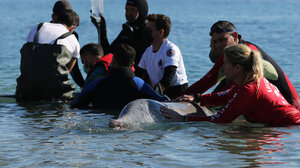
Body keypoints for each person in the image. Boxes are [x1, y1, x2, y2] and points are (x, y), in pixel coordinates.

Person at [161, 44, 300, 126]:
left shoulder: (248, 89)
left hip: (291, 127)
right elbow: (224, 96)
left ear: (237, 68)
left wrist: (183, 119)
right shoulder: (247, 81)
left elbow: (221, 119)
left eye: (226, 64)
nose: (222, 68)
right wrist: (197, 98)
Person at [183, 20, 300, 110]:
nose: (218, 45)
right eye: (215, 42)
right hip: (263, 102)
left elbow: (233, 91)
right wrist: (180, 98)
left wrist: (200, 99)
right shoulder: (229, 54)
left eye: (222, 40)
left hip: (289, 105)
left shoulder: (247, 53)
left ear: (235, 36)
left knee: (213, 103)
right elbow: (206, 82)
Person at [71, 44, 169, 109]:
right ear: (132, 64)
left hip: (101, 124)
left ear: (113, 62)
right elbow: (162, 102)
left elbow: (76, 105)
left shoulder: (96, 83)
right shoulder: (139, 84)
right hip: (128, 125)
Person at [15, 9, 81, 101]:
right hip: (55, 88)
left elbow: (27, 54)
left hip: (26, 86)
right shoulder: (72, 39)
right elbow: (69, 68)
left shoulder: (37, 27)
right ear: (72, 28)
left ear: (56, 19)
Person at [138, 14, 188, 99]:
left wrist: (153, 94)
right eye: (146, 28)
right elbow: (139, 74)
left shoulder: (171, 49)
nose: (145, 31)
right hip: (159, 91)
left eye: (149, 29)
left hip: (177, 92)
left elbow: (168, 79)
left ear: (161, 32)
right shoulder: (148, 51)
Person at [92, 0, 151, 71]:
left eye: (133, 10)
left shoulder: (148, 32)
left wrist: (132, 38)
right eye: (127, 9)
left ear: (142, 11)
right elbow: (108, 53)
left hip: (138, 79)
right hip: (122, 75)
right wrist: (102, 30)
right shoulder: (127, 30)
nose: (129, 14)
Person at [52, 0, 85, 88]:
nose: (66, 19)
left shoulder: (72, 35)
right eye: (63, 16)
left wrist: (84, 86)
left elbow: (74, 69)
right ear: (53, 17)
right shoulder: (43, 31)